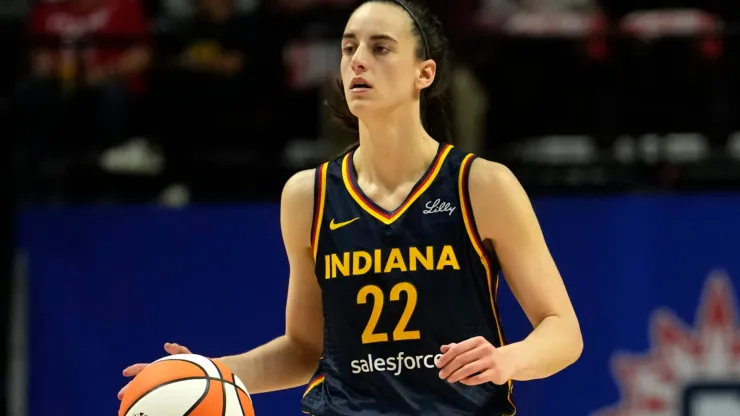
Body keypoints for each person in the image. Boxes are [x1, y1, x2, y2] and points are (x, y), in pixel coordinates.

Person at [118, 1, 583, 414]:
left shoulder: (481, 185)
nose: (358, 60)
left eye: (380, 48)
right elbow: (305, 350)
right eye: (348, 48)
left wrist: (507, 360)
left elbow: (563, 331)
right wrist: (205, 372)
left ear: (425, 73)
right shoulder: (308, 195)